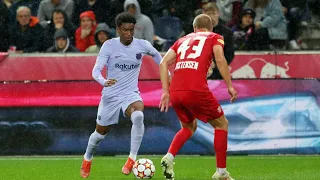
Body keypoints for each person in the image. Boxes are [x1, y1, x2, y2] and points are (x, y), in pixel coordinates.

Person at [80, 12, 163, 178]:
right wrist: (103, 81)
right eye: (125, 30)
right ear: (118, 29)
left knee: (138, 115)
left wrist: (166, 71)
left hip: (130, 94)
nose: (129, 34)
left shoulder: (142, 44)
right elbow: (96, 71)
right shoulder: (109, 46)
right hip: (110, 95)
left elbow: (157, 56)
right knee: (99, 135)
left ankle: (132, 158)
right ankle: (87, 158)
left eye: (131, 30)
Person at [158, 14, 237, 180]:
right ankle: (221, 172)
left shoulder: (182, 40)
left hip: (176, 91)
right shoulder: (215, 37)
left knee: (188, 127)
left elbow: (163, 62)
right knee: (222, 124)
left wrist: (165, 91)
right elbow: (220, 59)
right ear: (211, 28)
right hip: (196, 89)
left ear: (194, 28)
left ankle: (170, 157)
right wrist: (229, 85)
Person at [202, 2, 235, 80]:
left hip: (219, 73)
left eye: (213, 13)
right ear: (203, 14)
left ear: (218, 13)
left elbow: (230, 53)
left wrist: (217, 65)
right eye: (208, 13)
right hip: (200, 71)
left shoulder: (227, 32)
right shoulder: (197, 32)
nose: (211, 16)